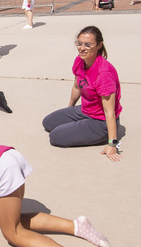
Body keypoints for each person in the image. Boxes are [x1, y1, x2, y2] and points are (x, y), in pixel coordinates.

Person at [42, 26, 123, 160]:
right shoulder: (80, 61)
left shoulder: (104, 73)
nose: (82, 48)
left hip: (100, 121)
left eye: (88, 45)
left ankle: (102, 136)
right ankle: (78, 126)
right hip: (85, 111)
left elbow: (109, 112)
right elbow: (77, 87)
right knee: (48, 122)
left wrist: (112, 143)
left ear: (99, 46)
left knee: (55, 137)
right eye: (79, 43)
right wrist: (69, 110)